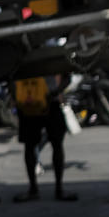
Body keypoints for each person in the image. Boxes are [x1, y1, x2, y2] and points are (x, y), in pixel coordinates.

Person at [13, 74, 77, 202]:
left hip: (49, 103)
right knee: (33, 146)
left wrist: (53, 93)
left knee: (54, 144)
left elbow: (67, 77)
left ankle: (54, 188)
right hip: (31, 104)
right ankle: (36, 189)